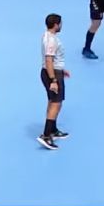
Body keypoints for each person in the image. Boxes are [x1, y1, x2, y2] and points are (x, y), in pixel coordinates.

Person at [37, 13, 71, 150]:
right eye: (60, 23)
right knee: (56, 104)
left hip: (53, 71)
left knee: (53, 101)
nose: (61, 25)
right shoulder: (51, 40)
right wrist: (54, 80)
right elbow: (49, 60)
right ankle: (46, 136)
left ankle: (53, 130)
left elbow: (52, 60)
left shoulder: (47, 36)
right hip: (52, 74)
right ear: (56, 25)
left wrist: (61, 70)